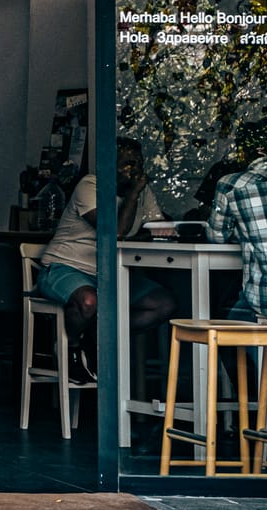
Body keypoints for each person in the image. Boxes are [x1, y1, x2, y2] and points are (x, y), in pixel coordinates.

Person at [35, 138, 175, 384]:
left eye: (139, 163)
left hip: (112, 275)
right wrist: (133, 194)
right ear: (112, 165)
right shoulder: (91, 186)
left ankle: (95, 333)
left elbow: (157, 227)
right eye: (129, 163)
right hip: (66, 267)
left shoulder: (143, 193)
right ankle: (72, 349)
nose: (136, 169)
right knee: (89, 301)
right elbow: (114, 232)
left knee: (163, 304)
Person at [209, 123, 267, 322]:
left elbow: (217, 236)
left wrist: (244, 227)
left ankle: (247, 351)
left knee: (228, 316)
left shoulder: (230, 184)